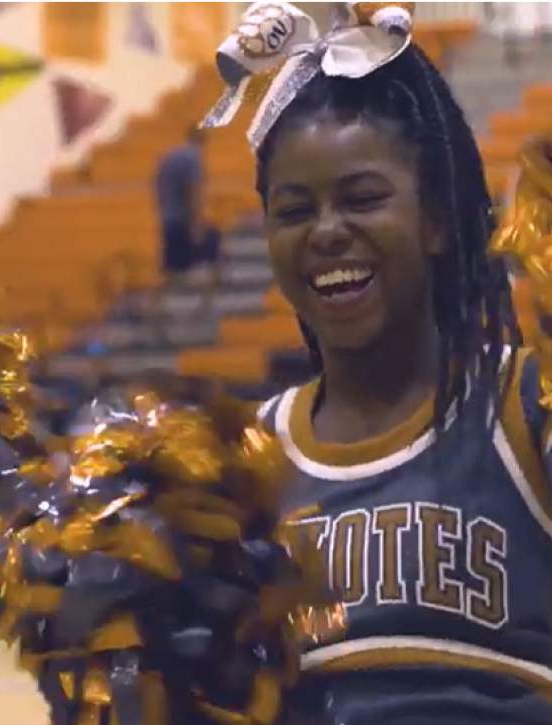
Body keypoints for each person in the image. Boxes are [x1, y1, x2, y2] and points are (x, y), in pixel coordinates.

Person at [235, 28, 552, 725]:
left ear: (436, 221)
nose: (326, 230)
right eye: (293, 210)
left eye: (362, 197)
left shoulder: (525, 410)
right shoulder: (240, 465)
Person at [153, 126, 222, 314]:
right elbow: (194, 192)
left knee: (172, 272)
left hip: (169, 220)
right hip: (184, 222)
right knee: (212, 258)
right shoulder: (193, 158)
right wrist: (196, 224)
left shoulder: (169, 157)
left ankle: (156, 311)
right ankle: (206, 309)